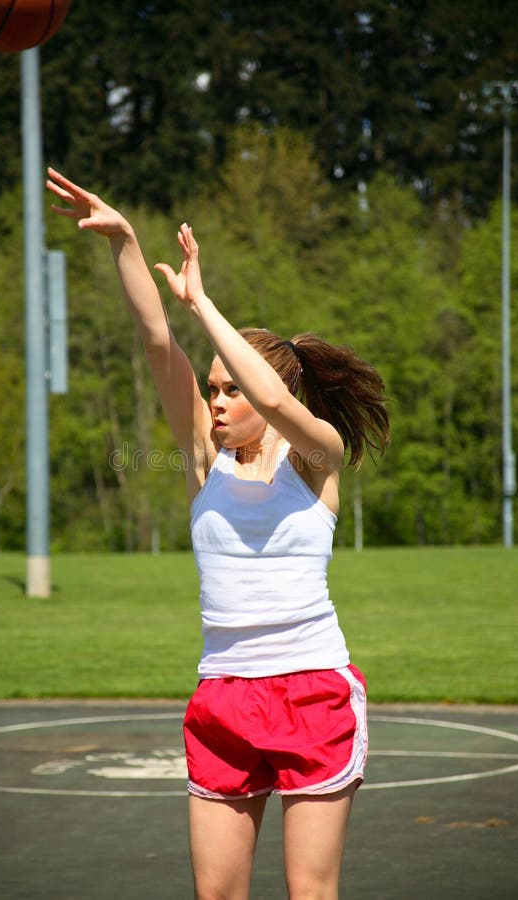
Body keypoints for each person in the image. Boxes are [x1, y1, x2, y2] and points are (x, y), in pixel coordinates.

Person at [46, 167, 390, 900]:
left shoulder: (318, 458)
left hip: (313, 691)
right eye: (213, 389)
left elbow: (268, 388)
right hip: (224, 694)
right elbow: (153, 342)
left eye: (230, 387)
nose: (220, 399)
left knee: (310, 892)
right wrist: (126, 244)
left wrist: (202, 301)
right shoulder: (205, 463)